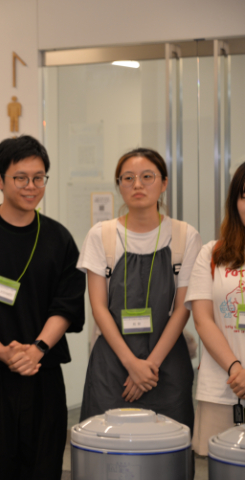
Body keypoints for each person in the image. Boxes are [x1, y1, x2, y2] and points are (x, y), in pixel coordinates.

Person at [0, 135, 86, 480]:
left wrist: (37, 349)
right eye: (21, 178)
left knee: (43, 465)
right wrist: (0, 351)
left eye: (39, 178)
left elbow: (67, 303)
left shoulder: (58, 237)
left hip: (42, 374)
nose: (31, 186)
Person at [77, 148, 201, 433]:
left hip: (166, 365)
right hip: (113, 365)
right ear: (119, 184)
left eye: (147, 176)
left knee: (168, 446)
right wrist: (131, 364)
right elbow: (99, 308)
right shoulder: (101, 235)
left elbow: (182, 308)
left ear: (164, 183)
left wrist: (149, 366)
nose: (137, 185)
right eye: (128, 178)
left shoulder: (185, 235)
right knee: (108, 447)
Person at [185, 161, 245, 455]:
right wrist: (236, 368)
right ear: (235, 202)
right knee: (223, 469)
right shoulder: (212, 253)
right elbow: (203, 320)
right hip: (222, 388)